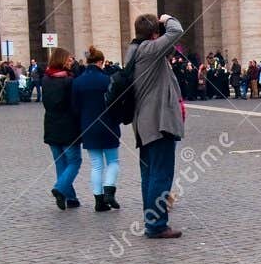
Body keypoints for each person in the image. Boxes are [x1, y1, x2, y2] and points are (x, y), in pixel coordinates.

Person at [128, 13, 185, 241]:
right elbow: (176, 32)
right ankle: (156, 225)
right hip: (158, 123)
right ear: (154, 34)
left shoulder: (134, 50)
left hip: (144, 123)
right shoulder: (149, 50)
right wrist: (168, 18)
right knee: (160, 175)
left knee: (150, 175)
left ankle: (152, 221)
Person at [72, 46, 120, 211]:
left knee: (96, 165)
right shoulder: (108, 80)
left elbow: (75, 107)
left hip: (88, 126)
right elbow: (115, 104)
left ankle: (99, 201)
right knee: (113, 161)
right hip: (109, 125)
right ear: (101, 62)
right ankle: (109, 189)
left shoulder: (77, 82)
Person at [41, 46, 82, 209]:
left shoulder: (46, 79)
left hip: (51, 124)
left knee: (60, 163)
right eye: (69, 59)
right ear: (62, 60)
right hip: (68, 127)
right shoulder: (68, 81)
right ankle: (59, 189)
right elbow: (74, 106)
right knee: (74, 161)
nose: (71, 62)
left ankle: (70, 197)